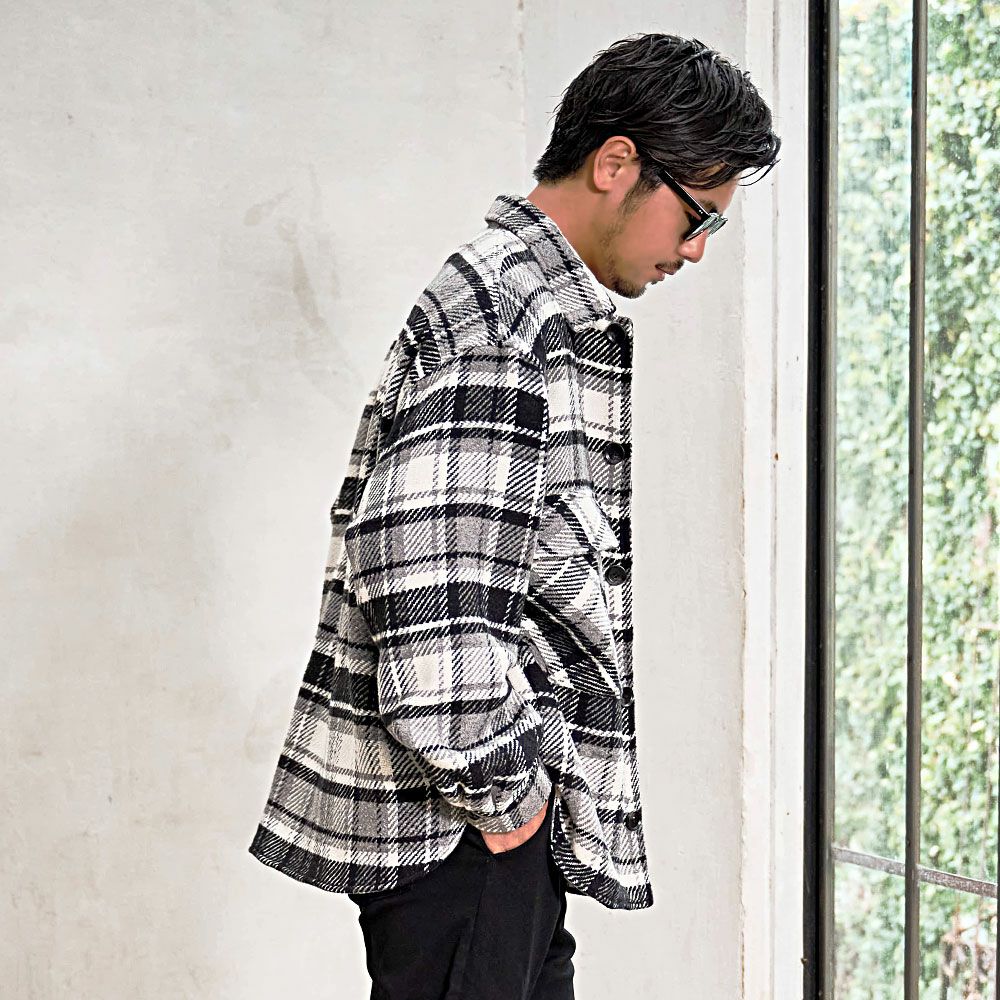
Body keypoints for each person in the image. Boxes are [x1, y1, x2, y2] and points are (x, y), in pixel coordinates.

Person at [249, 31, 780, 1000]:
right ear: (616, 163)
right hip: (464, 829)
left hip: (481, 826)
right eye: (697, 214)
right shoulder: (506, 321)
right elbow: (418, 580)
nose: (696, 249)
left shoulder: (524, 305)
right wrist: (507, 796)